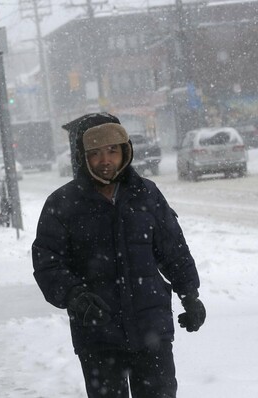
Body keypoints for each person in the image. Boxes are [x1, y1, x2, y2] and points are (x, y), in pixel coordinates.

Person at [32, 117, 206, 398]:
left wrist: (190, 295)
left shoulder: (146, 194)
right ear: (84, 158)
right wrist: (74, 295)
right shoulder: (62, 204)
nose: (105, 160)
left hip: (151, 329)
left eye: (112, 150)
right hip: (97, 333)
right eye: (96, 153)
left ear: (125, 152)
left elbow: (173, 250)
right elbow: (47, 262)